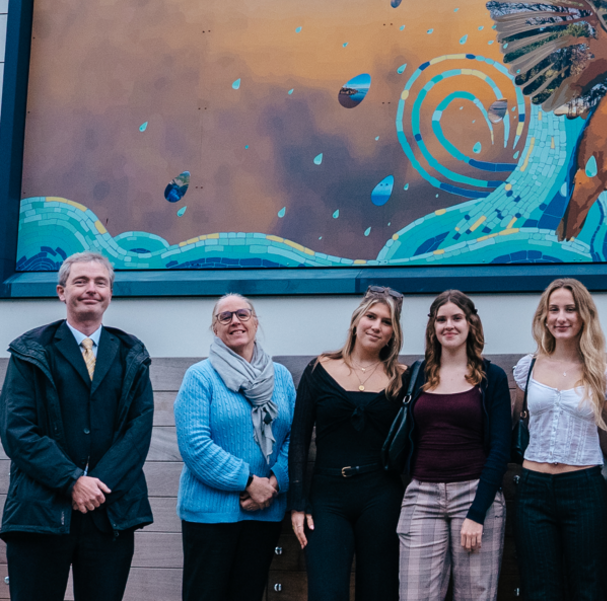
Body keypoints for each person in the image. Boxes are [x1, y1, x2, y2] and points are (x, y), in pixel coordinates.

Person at [0, 251, 154, 601]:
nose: (91, 289)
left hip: (109, 512)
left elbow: (138, 431)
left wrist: (97, 487)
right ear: (61, 292)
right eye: (80, 281)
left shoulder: (131, 353)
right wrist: (71, 481)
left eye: (100, 282)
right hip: (40, 511)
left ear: (110, 293)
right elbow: (17, 430)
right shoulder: (30, 351)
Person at [288, 286, 408, 601]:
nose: (377, 326)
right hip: (327, 499)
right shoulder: (319, 369)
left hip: (381, 497)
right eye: (371, 317)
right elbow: (299, 438)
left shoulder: (403, 378)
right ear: (356, 321)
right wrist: (297, 502)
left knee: (379, 592)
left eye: (386, 322)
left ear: (393, 333)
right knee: (326, 592)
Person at [174, 293, 296, 601]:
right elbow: (195, 445)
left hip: (265, 511)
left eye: (243, 314)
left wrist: (273, 483)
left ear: (255, 322)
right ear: (215, 329)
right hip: (210, 516)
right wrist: (249, 482)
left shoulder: (281, 377)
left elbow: (293, 438)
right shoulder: (200, 377)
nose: (235, 321)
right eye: (225, 317)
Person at [512, 278, 607, 601]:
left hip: (584, 489)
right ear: (544, 317)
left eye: (570, 310)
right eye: (554, 310)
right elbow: (520, 421)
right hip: (533, 489)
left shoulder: (604, 373)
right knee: (539, 588)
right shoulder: (528, 367)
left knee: (588, 587)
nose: (561, 317)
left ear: (584, 315)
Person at [396, 290, 512, 600]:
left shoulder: (492, 377)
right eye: (441, 319)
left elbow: (500, 448)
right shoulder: (416, 376)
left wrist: (477, 512)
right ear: (432, 326)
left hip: (475, 495)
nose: (449, 325)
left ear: (471, 323)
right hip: (421, 497)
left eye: (457, 318)